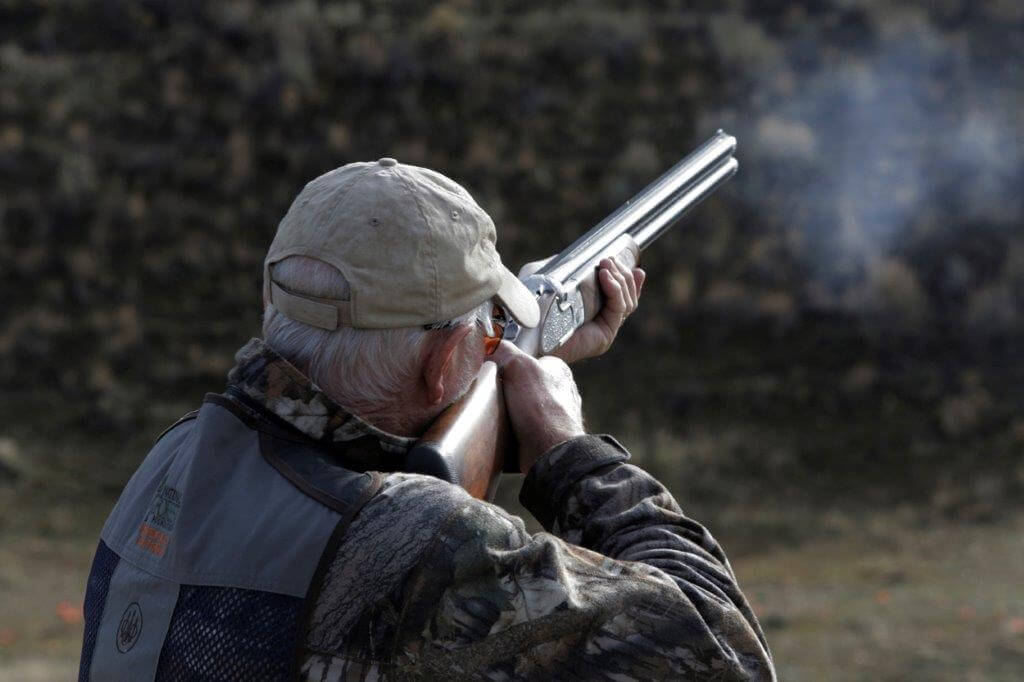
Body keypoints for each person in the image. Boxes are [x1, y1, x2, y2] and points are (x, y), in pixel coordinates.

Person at [78, 158, 775, 681]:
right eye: (485, 335)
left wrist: (500, 384)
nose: (491, 347)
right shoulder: (424, 546)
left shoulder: (172, 462)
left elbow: (338, 487)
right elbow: (726, 658)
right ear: (445, 365)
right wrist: (567, 450)